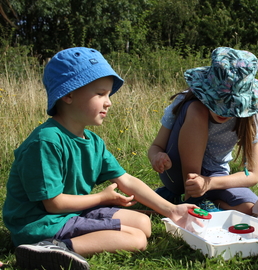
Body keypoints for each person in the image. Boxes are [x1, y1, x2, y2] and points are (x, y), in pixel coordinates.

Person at [2, 47, 197, 270]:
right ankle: (47, 249)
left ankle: (61, 244)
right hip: (40, 223)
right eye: (100, 94)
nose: (109, 102)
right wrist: (102, 198)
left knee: (144, 223)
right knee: (137, 239)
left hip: (71, 213)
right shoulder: (46, 141)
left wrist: (171, 210)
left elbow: (126, 180)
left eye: (109, 95)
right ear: (68, 94)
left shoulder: (93, 141)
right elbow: (54, 204)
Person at [148, 47, 258, 215]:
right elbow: (155, 146)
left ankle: (201, 202)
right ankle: (190, 198)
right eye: (218, 102)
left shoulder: (248, 117)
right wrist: (157, 156)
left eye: (232, 107)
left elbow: (253, 174)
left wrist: (208, 183)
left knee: (252, 209)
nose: (223, 112)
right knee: (196, 110)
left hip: (215, 177)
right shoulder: (187, 102)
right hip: (177, 173)